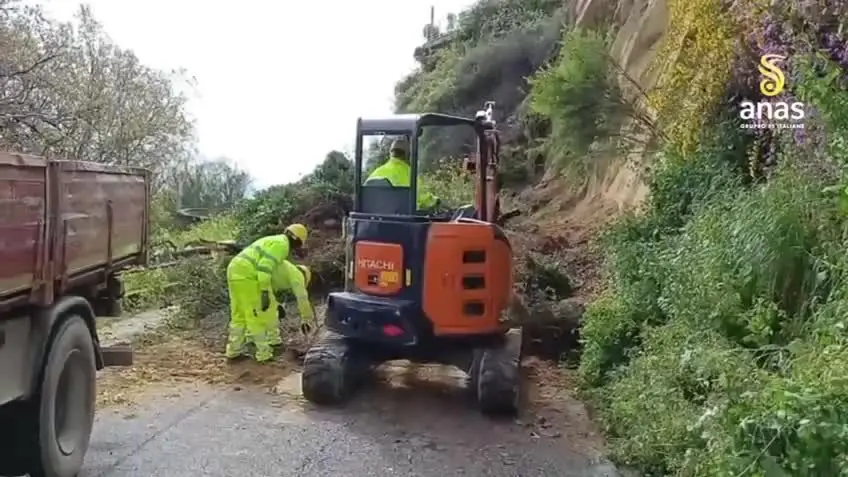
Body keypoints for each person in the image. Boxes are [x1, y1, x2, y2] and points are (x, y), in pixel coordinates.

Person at [225, 223, 308, 362]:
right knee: (255, 315)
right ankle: (264, 355)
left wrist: (274, 302)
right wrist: (263, 292)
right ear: (297, 241)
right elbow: (264, 269)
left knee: (238, 314)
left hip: (235, 269)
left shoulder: (274, 240)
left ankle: (233, 352)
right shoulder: (282, 245)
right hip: (247, 274)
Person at [366, 137, 440, 209]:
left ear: (390, 153)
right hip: (402, 219)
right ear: (407, 154)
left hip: (374, 219)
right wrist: (436, 201)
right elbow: (425, 199)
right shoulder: (409, 174)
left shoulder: (376, 173)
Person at [268, 261, 315, 346]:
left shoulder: (285, 271)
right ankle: (272, 342)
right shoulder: (297, 276)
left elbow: (271, 290)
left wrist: (277, 305)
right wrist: (307, 320)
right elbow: (302, 299)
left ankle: (259, 341)